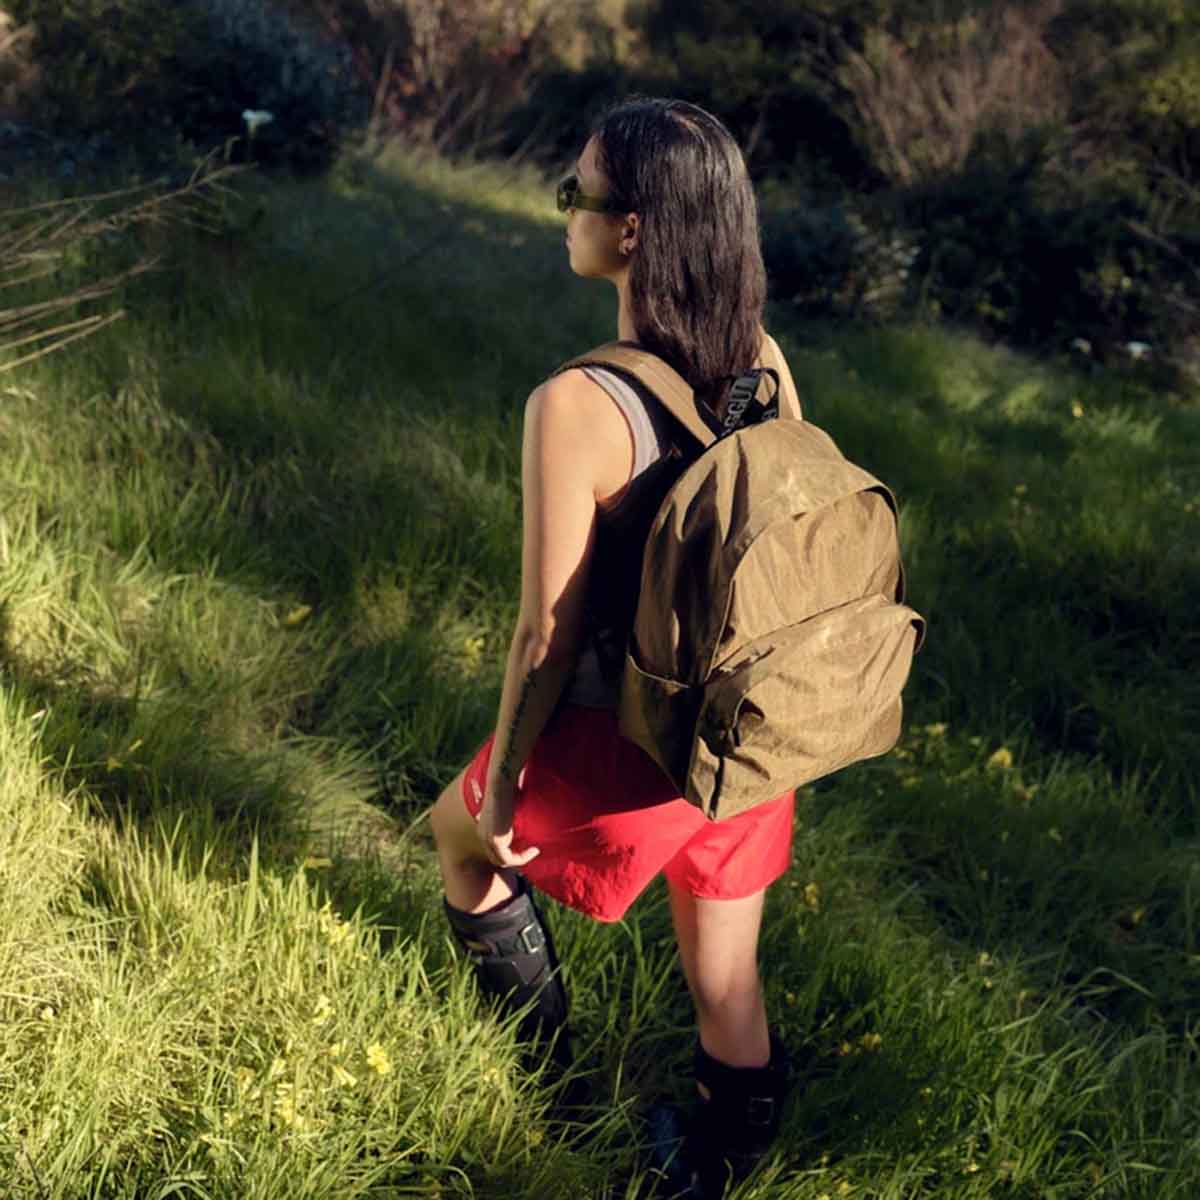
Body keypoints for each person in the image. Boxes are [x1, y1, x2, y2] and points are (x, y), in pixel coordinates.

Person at [428, 97, 797, 1196]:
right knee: (726, 980)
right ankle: (722, 1167)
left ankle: (554, 1089)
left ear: (630, 230)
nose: (565, 212)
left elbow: (545, 635)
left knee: (456, 840)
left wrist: (499, 793)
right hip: (744, 741)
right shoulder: (761, 365)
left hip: (627, 745)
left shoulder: (578, 403)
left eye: (574, 193)